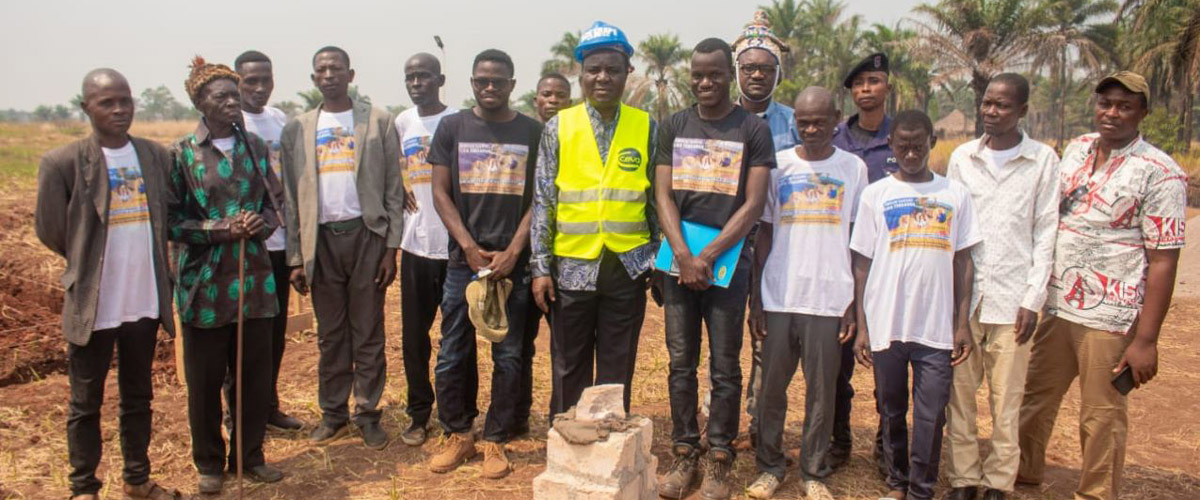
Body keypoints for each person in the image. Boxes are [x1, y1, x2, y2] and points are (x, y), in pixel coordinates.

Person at [1018, 71, 1185, 500]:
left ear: (1143, 113)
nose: (1112, 113)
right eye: (1105, 103)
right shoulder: (1075, 150)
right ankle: (1022, 476)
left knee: (1101, 415)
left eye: (1124, 106)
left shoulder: (1161, 172)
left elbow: (1164, 260)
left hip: (1111, 318)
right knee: (1035, 399)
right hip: (1058, 306)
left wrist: (1146, 340)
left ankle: (1094, 494)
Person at [36, 68, 180, 500]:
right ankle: (84, 487)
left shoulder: (155, 156)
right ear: (86, 108)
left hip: (143, 299)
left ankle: (137, 480)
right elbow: (49, 228)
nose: (119, 110)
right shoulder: (62, 162)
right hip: (94, 303)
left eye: (125, 101)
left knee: (139, 397)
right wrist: (87, 259)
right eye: (107, 103)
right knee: (86, 403)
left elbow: (169, 216)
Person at [655, 38, 775, 500]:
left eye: (715, 74)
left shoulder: (751, 129)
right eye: (698, 75)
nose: (706, 82)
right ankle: (685, 453)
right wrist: (683, 256)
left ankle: (721, 459)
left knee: (725, 367)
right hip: (678, 265)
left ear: (731, 75)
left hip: (727, 266)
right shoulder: (673, 126)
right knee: (680, 363)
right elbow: (662, 195)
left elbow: (755, 203)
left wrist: (707, 257)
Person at [849, 110, 980, 500]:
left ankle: (921, 489)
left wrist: (961, 324)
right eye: (903, 146)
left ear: (931, 143)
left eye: (918, 146)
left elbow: (964, 262)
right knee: (890, 409)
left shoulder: (954, 195)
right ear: (892, 145)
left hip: (936, 329)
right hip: (887, 321)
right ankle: (897, 481)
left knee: (930, 415)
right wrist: (863, 326)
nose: (910, 153)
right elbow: (861, 265)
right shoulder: (876, 195)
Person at [169, 56, 285, 494]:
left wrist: (262, 224)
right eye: (221, 96)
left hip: (255, 280)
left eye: (235, 95)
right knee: (204, 380)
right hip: (205, 284)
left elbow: (276, 203)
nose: (233, 102)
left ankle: (250, 455)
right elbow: (172, 223)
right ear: (201, 102)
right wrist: (221, 229)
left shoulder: (255, 148)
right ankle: (210, 463)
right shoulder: (181, 154)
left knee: (254, 376)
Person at [530, 20, 657, 421]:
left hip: (627, 266)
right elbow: (543, 200)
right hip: (571, 267)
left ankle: (609, 439)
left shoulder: (646, 126)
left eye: (613, 70)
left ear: (627, 74)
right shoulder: (558, 127)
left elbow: (656, 199)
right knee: (569, 361)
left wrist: (656, 258)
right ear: (580, 73)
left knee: (618, 362)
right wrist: (539, 267)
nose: (603, 77)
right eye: (593, 69)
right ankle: (569, 440)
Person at [745, 87, 866, 500]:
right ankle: (770, 466)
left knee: (821, 393)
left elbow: (857, 240)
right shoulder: (777, 167)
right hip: (780, 295)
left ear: (836, 118)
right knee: (770, 390)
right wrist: (758, 299)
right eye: (803, 121)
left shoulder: (853, 168)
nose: (811, 129)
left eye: (819, 121)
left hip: (828, 299)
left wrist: (852, 304)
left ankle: (813, 472)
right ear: (794, 120)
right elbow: (764, 235)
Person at [427, 48, 542, 480]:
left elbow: (539, 199)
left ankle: (496, 438)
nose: (489, 88)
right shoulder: (452, 127)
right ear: (472, 83)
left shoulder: (533, 131)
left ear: (513, 84)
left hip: (513, 264)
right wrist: (468, 246)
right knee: (452, 352)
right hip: (464, 263)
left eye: (498, 81)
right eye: (481, 81)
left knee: (509, 356)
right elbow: (440, 192)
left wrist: (514, 250)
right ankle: (459, 434)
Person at [943, 73, 1058, 500]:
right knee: (960, 397)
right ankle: (963, 478)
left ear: (1022, 111)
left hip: (1013, 302)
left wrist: (1033, 298)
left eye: (1002, 105)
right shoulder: (962, 158)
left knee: (1006, 402)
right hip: (964, 302)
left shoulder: (1042, 161)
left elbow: (1046, 231)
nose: (991, 111)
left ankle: (997, 482)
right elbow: (951, 231)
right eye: (987, 103)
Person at [280, 46, 402, 450]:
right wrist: (296, 257)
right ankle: (333, 413)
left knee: (368, 331)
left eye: (336, 68)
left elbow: (392, 190)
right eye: (321, 69)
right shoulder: (297, 128)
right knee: (331, 335)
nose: (329, 74)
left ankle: (367, 413)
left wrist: (390, 249)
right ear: (313, 78)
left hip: (366, 236)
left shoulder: (378, 121)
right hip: (321, 242)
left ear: (351, 74)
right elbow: (290, 197)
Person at [728, 9, 801, 451]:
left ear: (778, 73)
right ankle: (722, 419)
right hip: (725, 244)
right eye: (749, 68)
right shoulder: (719, 118)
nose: (757, 75)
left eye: (766, 68)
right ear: (737, 71)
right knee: (723, 336)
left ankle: (758, 425)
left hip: (777, 244)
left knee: (765, 336)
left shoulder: (795, 122)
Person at [828, 51, 899, 472]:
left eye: (873, 81)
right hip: (843, 265)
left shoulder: (903, 137)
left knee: (887, 364)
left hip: (889, 268)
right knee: (838, 365)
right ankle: (839, 442)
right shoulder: (836, 140)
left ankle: (888, 446)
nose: (866, 90)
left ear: (887, 87)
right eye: (858, 84)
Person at [231, 49, 304, 432]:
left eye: (266, 80)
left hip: (279, 245)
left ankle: (268, 406)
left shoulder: (280, 122)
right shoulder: (229, 124)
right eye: (251, 81)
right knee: (243, 335)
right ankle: (237, 413)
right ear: (236, 81)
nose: (260, 88)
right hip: (245, 247)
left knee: (274, 332)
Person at [393, 52, 462, 447]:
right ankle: (419, 414)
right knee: (414, 337)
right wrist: (396, 187)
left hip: (453, 247)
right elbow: (393, 166)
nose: (416, 82)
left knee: (457, 338)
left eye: (424, 76)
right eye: (410, 76)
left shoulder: (458, 121)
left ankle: (459, 415)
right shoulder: (402, 121)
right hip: (416, 245)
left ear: (441, 79)